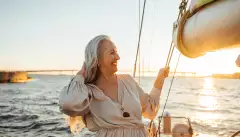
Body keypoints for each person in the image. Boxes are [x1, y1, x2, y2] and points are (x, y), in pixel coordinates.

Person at [59, 35, 169, 137]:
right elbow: (68, 104)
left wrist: (160, 79)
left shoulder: (128, 81)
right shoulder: (88, 92)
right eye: (112, 53)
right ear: (97, 59)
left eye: (117, 52)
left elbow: (150, 110)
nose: (118, 57)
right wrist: (81, 73)